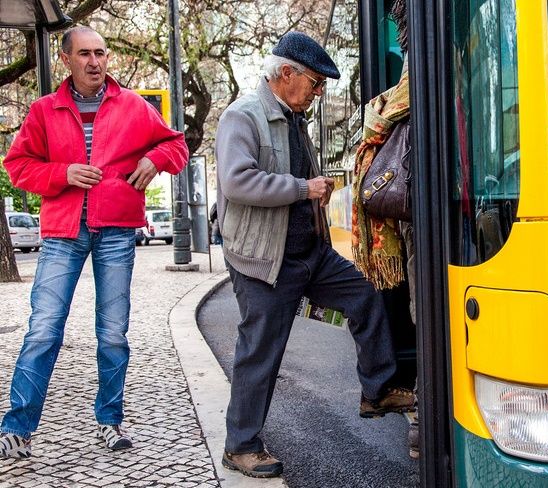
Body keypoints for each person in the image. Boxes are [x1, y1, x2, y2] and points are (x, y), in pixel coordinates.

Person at [215, 31, 414, 478]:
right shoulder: (242, 117)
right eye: (316, 83)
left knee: (365, 294)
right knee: (260, 353)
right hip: (267, 259)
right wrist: (304, 188)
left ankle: (376, 390)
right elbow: (236, 182)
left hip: (309, 253)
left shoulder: (293, 117)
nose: (320, 92)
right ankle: (241, 445)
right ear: (287, 73)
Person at [0, 26, 188, 459]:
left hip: (117, 231)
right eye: (84, 53)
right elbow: (18, 166)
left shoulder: (134, 107)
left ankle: (109, 422)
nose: (94, 62)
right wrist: (61, 173)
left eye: (100, 53)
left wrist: (153, 158)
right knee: (44, 330)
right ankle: (18, 429)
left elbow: (175, 144)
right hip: (63, 232)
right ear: (65, 59)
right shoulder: (44, 110)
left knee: (113, 334)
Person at [352, 0, 419, 459]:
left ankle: (392, 391)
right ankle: (414, 402)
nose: (401, 37)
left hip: (423, 211)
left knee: (414, 303)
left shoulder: (409, 83)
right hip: (417, 215)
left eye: (402, 26)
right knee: (417, 303)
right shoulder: (416, 79)